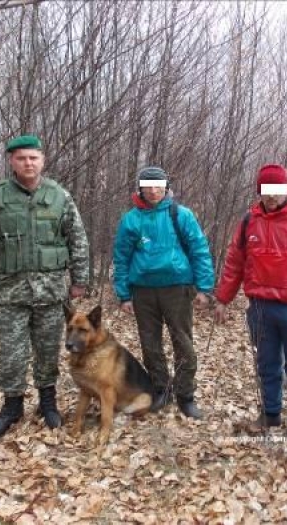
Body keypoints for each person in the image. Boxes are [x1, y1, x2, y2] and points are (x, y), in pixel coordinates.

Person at [0, 134, 89, 441]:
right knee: (11, 352)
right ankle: (11, 408)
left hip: (51, 292)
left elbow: (77, 238)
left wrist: (80, 279)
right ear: (11, 161)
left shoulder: (59, 195)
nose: (28, 163)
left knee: (48, 349)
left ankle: (48, 404)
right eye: (21, 158)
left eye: (33, 157)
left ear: (42, 160)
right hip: (10, 291)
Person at [214, 164, 287, 440]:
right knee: (266, 363)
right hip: (260, 308)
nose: (271, 196)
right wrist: (223, 298)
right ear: (259, 191)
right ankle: (270, 413)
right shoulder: (248, 222)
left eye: (277, 190)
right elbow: (235, 262)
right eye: (266, 190)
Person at [113, 166, 214, 419]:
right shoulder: (131, 220)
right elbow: (121, 258)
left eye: (159, 185)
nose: (154, 190)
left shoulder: (181, 215)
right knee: (150, 344)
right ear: (140, 188)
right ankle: (161, 389)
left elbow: (199, 250)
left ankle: (185, 395)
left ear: (166, 187)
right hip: (143, 292)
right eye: (148, 185)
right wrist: (124, 294)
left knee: (183, 342)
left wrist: (204, 288)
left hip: (177, 289)